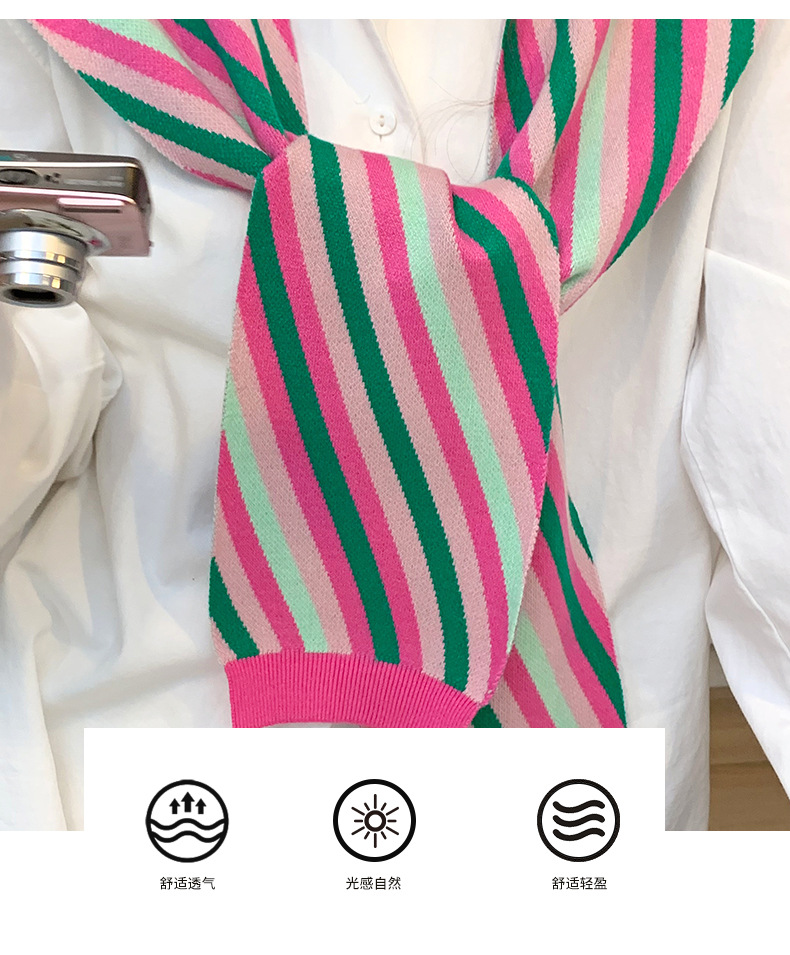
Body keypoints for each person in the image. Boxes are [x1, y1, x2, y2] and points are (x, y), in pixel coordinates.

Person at [1, 19, 788, 831]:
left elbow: (771, 452)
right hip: (145, 775)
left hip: (568, 806)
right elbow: (44, 360)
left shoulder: (710, 32)